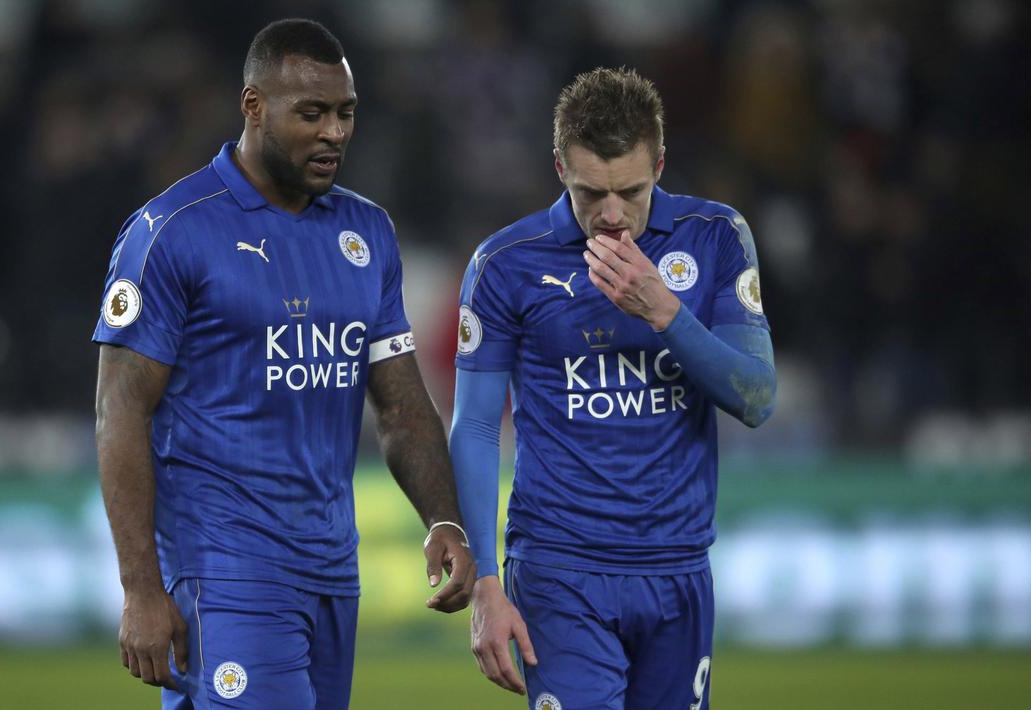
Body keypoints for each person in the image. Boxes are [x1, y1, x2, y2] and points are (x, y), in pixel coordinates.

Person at [92, 19, 474, 710]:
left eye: (345, 113)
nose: (334, 132)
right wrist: (141, 589)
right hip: (224, 569)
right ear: (253, 106)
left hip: (331, 571)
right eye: (312, 113)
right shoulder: (172, 231)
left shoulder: (366, 232)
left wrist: (443, 520)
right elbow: (120, 410)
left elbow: (399, 403)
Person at [450, 67, 776, 710]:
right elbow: (478, 427)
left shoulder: (714, 238)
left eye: (630, 190)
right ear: (558, 169)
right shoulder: (507, 264)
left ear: (660, 163)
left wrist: (665, 312)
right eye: (588, 192)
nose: (610, 215)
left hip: (677, 566)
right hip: (558, 570)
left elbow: (757, 398)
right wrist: (487, 582)